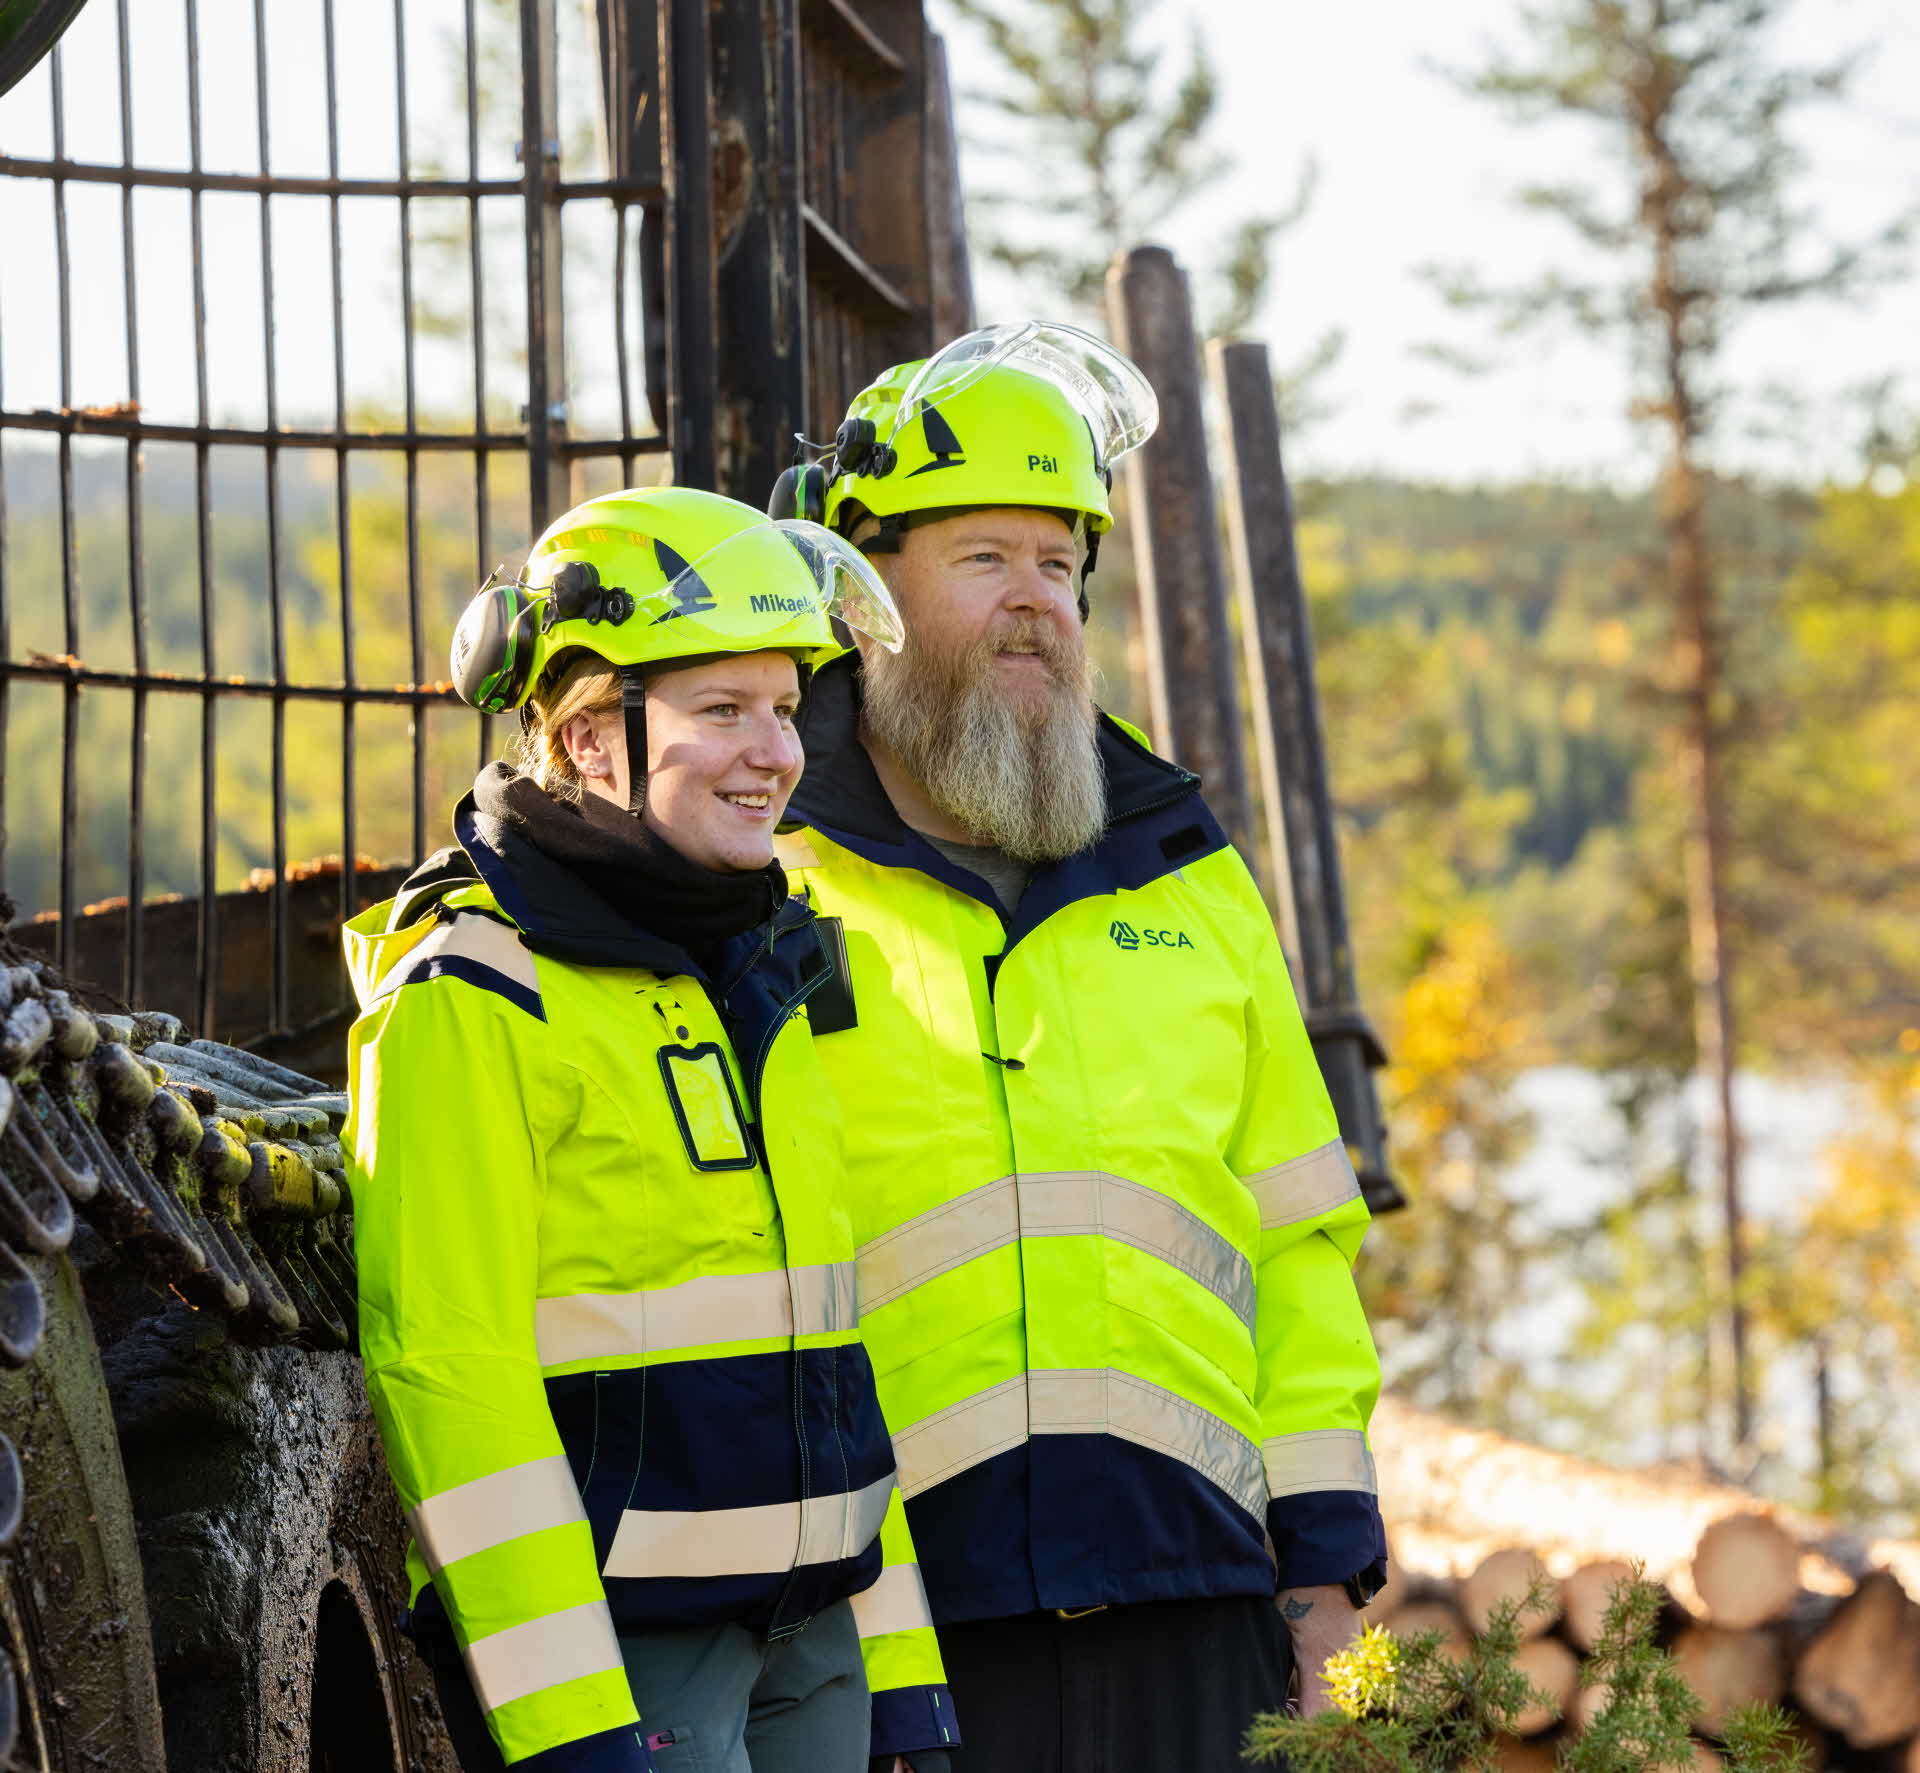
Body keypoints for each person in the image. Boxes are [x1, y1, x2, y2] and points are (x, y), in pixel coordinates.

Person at [763, 323, 1388, 1769]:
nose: (1034, 601)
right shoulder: (769, 874)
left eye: (1059, 562)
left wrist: (1329, 1570)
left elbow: (1296, 1242)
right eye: (984, 558)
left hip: (1200, 1605)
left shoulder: (1185, 868)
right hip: (878, 1619)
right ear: (865, 592)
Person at [342, 487, 957, 1773]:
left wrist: (903, 1677)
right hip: (625, 1664)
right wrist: (565, 1722)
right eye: (721, 710)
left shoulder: (765, 967)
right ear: (588, 738)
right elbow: (448, 1369)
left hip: (818, 1644)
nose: (774, 753)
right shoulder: (471, 994)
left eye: (784, 709)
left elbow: (835, 1347)